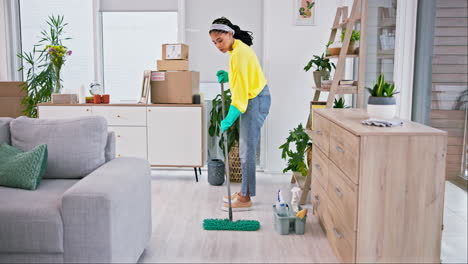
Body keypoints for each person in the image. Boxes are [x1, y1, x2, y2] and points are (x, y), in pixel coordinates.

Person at [209, 17, 271, 211]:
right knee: (246, 149)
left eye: (220, 40)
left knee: (246, 150)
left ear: (229, 33)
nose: (218, 45)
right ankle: (245, 191)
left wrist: (229, 118)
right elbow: (245, 76)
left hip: (255, 101)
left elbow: (241, 99)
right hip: (256, 98)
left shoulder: (238, 54)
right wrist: (230, 76)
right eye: (214, 42)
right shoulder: (237, 49)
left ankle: (245, 198)